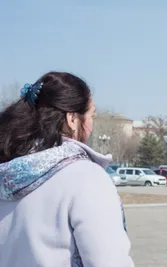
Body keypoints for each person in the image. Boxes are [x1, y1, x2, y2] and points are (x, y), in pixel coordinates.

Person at [0, 72, 135, 267]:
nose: (91, 124)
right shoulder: (86, 178)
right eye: (91, 115)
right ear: (72, 119)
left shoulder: (6, 168)